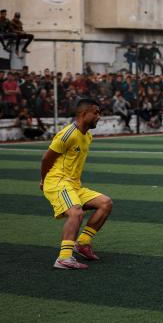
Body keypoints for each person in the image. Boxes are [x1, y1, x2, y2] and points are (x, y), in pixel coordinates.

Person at [40, 98, 113, 269]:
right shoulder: (67, 134)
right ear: (83, 114)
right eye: (95, 113)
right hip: (58, 182)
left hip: (73, 185)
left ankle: (82, 243)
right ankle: (64, 258)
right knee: (76, 213)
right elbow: (46, 159)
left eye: (99, 113)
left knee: (106, 203)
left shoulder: (87, 135)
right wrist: (44, 180)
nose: (99, 116)